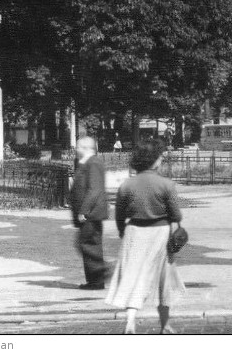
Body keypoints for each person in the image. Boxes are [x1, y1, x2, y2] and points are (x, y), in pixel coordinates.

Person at [106, 139, 186, 334]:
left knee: (134, 275)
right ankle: (165, 324)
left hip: (134, 231)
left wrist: (122, 231)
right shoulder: (166, 184)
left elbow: (119, 215)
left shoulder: (126, 185)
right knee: (163, 278)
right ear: (156, 161)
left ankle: (130, 321)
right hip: (160, 232)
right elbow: (176, 215)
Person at [70, 136, 109, 290]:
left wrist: (84, 211)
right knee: (88, 244)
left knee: (87, 244)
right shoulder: (85, 163)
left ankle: (101, 274)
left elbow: (95, 189)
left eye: (78, 146)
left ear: (87, 148)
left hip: (91, 214)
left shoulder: (93, 163)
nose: (75, 149)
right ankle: (96, 280)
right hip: (89, 213)